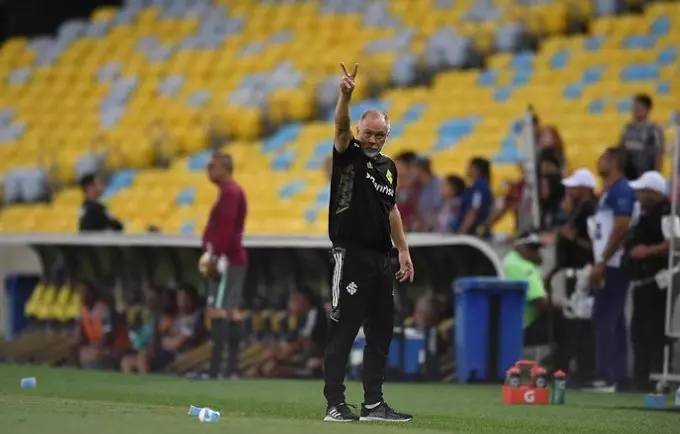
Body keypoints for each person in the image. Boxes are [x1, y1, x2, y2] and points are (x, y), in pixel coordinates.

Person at [324, 62, 414, 422]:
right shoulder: (349, 155)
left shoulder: (389, 167)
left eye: (380, 135)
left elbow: (391, 209)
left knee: (380, 334)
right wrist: (345, 95)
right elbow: (340, 125)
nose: (373, 140)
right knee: (343, 330)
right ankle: (334, 403)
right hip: (351, 255)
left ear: (387, 136)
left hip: (381, 259)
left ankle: (374, 404)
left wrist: (403, 249)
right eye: (369, 133)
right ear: (360, 130)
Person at [587, 147, 636, 392]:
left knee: (605, 317)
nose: (598, 161)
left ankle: (607, 376)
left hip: (613, 264)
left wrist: (603, 260)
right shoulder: (609, 191)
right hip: (608, 262)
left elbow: (621, 225)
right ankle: (617, 375)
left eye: (603, 157)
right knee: (613, 320)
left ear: (614, 161)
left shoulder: (621, 190)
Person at [546, 169, 598, 383]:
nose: (569, 190)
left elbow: (593, 244)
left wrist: (572, 235)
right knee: (572, 323)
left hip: (583, 273)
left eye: (573, 186)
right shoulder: (578, 210)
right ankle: (571, 368)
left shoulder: (590, 210)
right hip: (572, 274)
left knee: (582, 324)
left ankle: (585, 370)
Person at [202, 151, 248, 380]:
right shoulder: (230, 192)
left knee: (217, 309)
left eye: (212, 165)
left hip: (225, 260)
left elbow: (226, 229)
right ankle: (230, 370)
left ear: (224, 167)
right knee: (230, 310)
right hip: (230, 258)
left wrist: (215, 256)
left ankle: (216, 370)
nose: (207, 169)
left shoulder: (229, 192)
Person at [624, 171, 671, 391]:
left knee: (653, 331)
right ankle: (640, 378)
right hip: (641, 281)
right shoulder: (642, 213)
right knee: (638, 331)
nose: (639, 195)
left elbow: (675, 243)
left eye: (643, 191)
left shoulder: (667, 213)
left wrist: (648, 251)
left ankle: (653, 377)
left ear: (654, 192)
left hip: (656, 282)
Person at [503, 231, 569, 372]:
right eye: (531, 248)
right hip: (523, 326)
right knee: (567, 324)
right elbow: (540, 303)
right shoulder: (525, 268)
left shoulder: (510, 260)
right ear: (519, 248)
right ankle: (558, 370)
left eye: (537, 248)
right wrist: (564, 306)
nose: (536, 253)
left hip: (510, 324)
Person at [246, 288, 327, 378]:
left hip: (318, 358)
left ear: (306, 302)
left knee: (273, 364)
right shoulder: (299, 319)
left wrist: (289, 348)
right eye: (290, 301)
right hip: (305, 356)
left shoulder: (315, 315)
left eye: (294, 301)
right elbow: (290, 339)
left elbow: (305, 341)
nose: (290, 305)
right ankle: (256, 368)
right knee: (270, 365)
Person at [73, 281, 129, 370]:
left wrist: (94, 347)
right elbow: (80, 335)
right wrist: (76, 344)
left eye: (84, 292)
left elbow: (108, 336)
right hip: (96, 345)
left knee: (92, 354)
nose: (81, 295)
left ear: (91, 293)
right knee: (78, 351)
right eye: (79, 292)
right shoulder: (82, 311)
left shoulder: (103, 310)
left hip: (113, 346)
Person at [619, 94, 665, 180]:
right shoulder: (627, 129)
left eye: (638, 107)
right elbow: (620, 151)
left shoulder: (654, 130)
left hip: (645, 177)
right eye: (634, 107)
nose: (635, 110)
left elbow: (658, 155)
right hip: (627, 177)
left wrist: (656, 177)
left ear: (647, 109)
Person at [120, 286, 164, 374]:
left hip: (160, 352)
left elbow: (158, 341)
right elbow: (135, 339)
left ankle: (147, 385)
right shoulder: (144, 317)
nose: (150, 301)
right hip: (142, 351)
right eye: (148, 298)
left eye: (153, 297)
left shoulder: (163, 317)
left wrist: (148, 350)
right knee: (126, 362)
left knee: (142, 360)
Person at [453, 157, 493, 238]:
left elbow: (474, 210)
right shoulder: (477, 187)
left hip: (473, 234)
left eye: (469, 167)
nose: (467, 169)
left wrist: (463, 231)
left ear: (475, 169)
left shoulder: (479, 189)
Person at [413, 155, 443, 232]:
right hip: (426, 230)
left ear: (419, 169)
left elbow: (437, 206)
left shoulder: (438, 184)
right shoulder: (419, 187)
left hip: (438, 231)